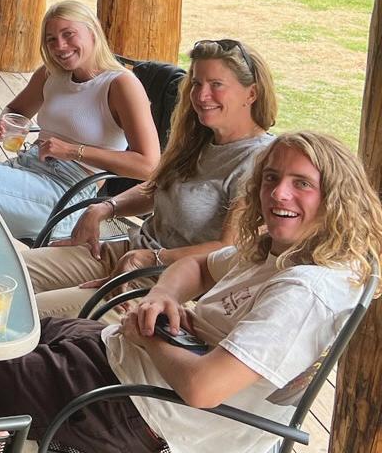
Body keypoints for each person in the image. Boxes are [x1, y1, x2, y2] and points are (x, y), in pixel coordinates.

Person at [0, 132, 382, 453]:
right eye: (271, 178)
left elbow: (202, 388)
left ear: (335, 198)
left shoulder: (306, 292)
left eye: (302, 184)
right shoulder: (281, 250)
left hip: (136, 410)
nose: (279, 194)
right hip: (116, 361)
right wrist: (162, 295)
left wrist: (145, 335)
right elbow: (197, 266)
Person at [25, 38, 276, 317]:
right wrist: (104, 208)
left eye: (216, 84)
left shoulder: (260, 160)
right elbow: (157, 188)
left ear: (251, 93)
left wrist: (152, 258)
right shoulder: (200, 138)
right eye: (196, 83)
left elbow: (227, 249)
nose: (202, 95)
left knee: (27, 310)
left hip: (167, 286)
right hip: (130, 253)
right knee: (10, 274)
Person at [0, 0, 160, 240]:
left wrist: (73, 151)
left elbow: (149, 166)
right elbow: (15, 110)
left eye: (68, 34)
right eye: (51, 39)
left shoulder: (120, 84)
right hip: (24, 168)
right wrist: (8, 125)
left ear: (92, 32)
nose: (60, 46)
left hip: (65, 193)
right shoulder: (50, 73)